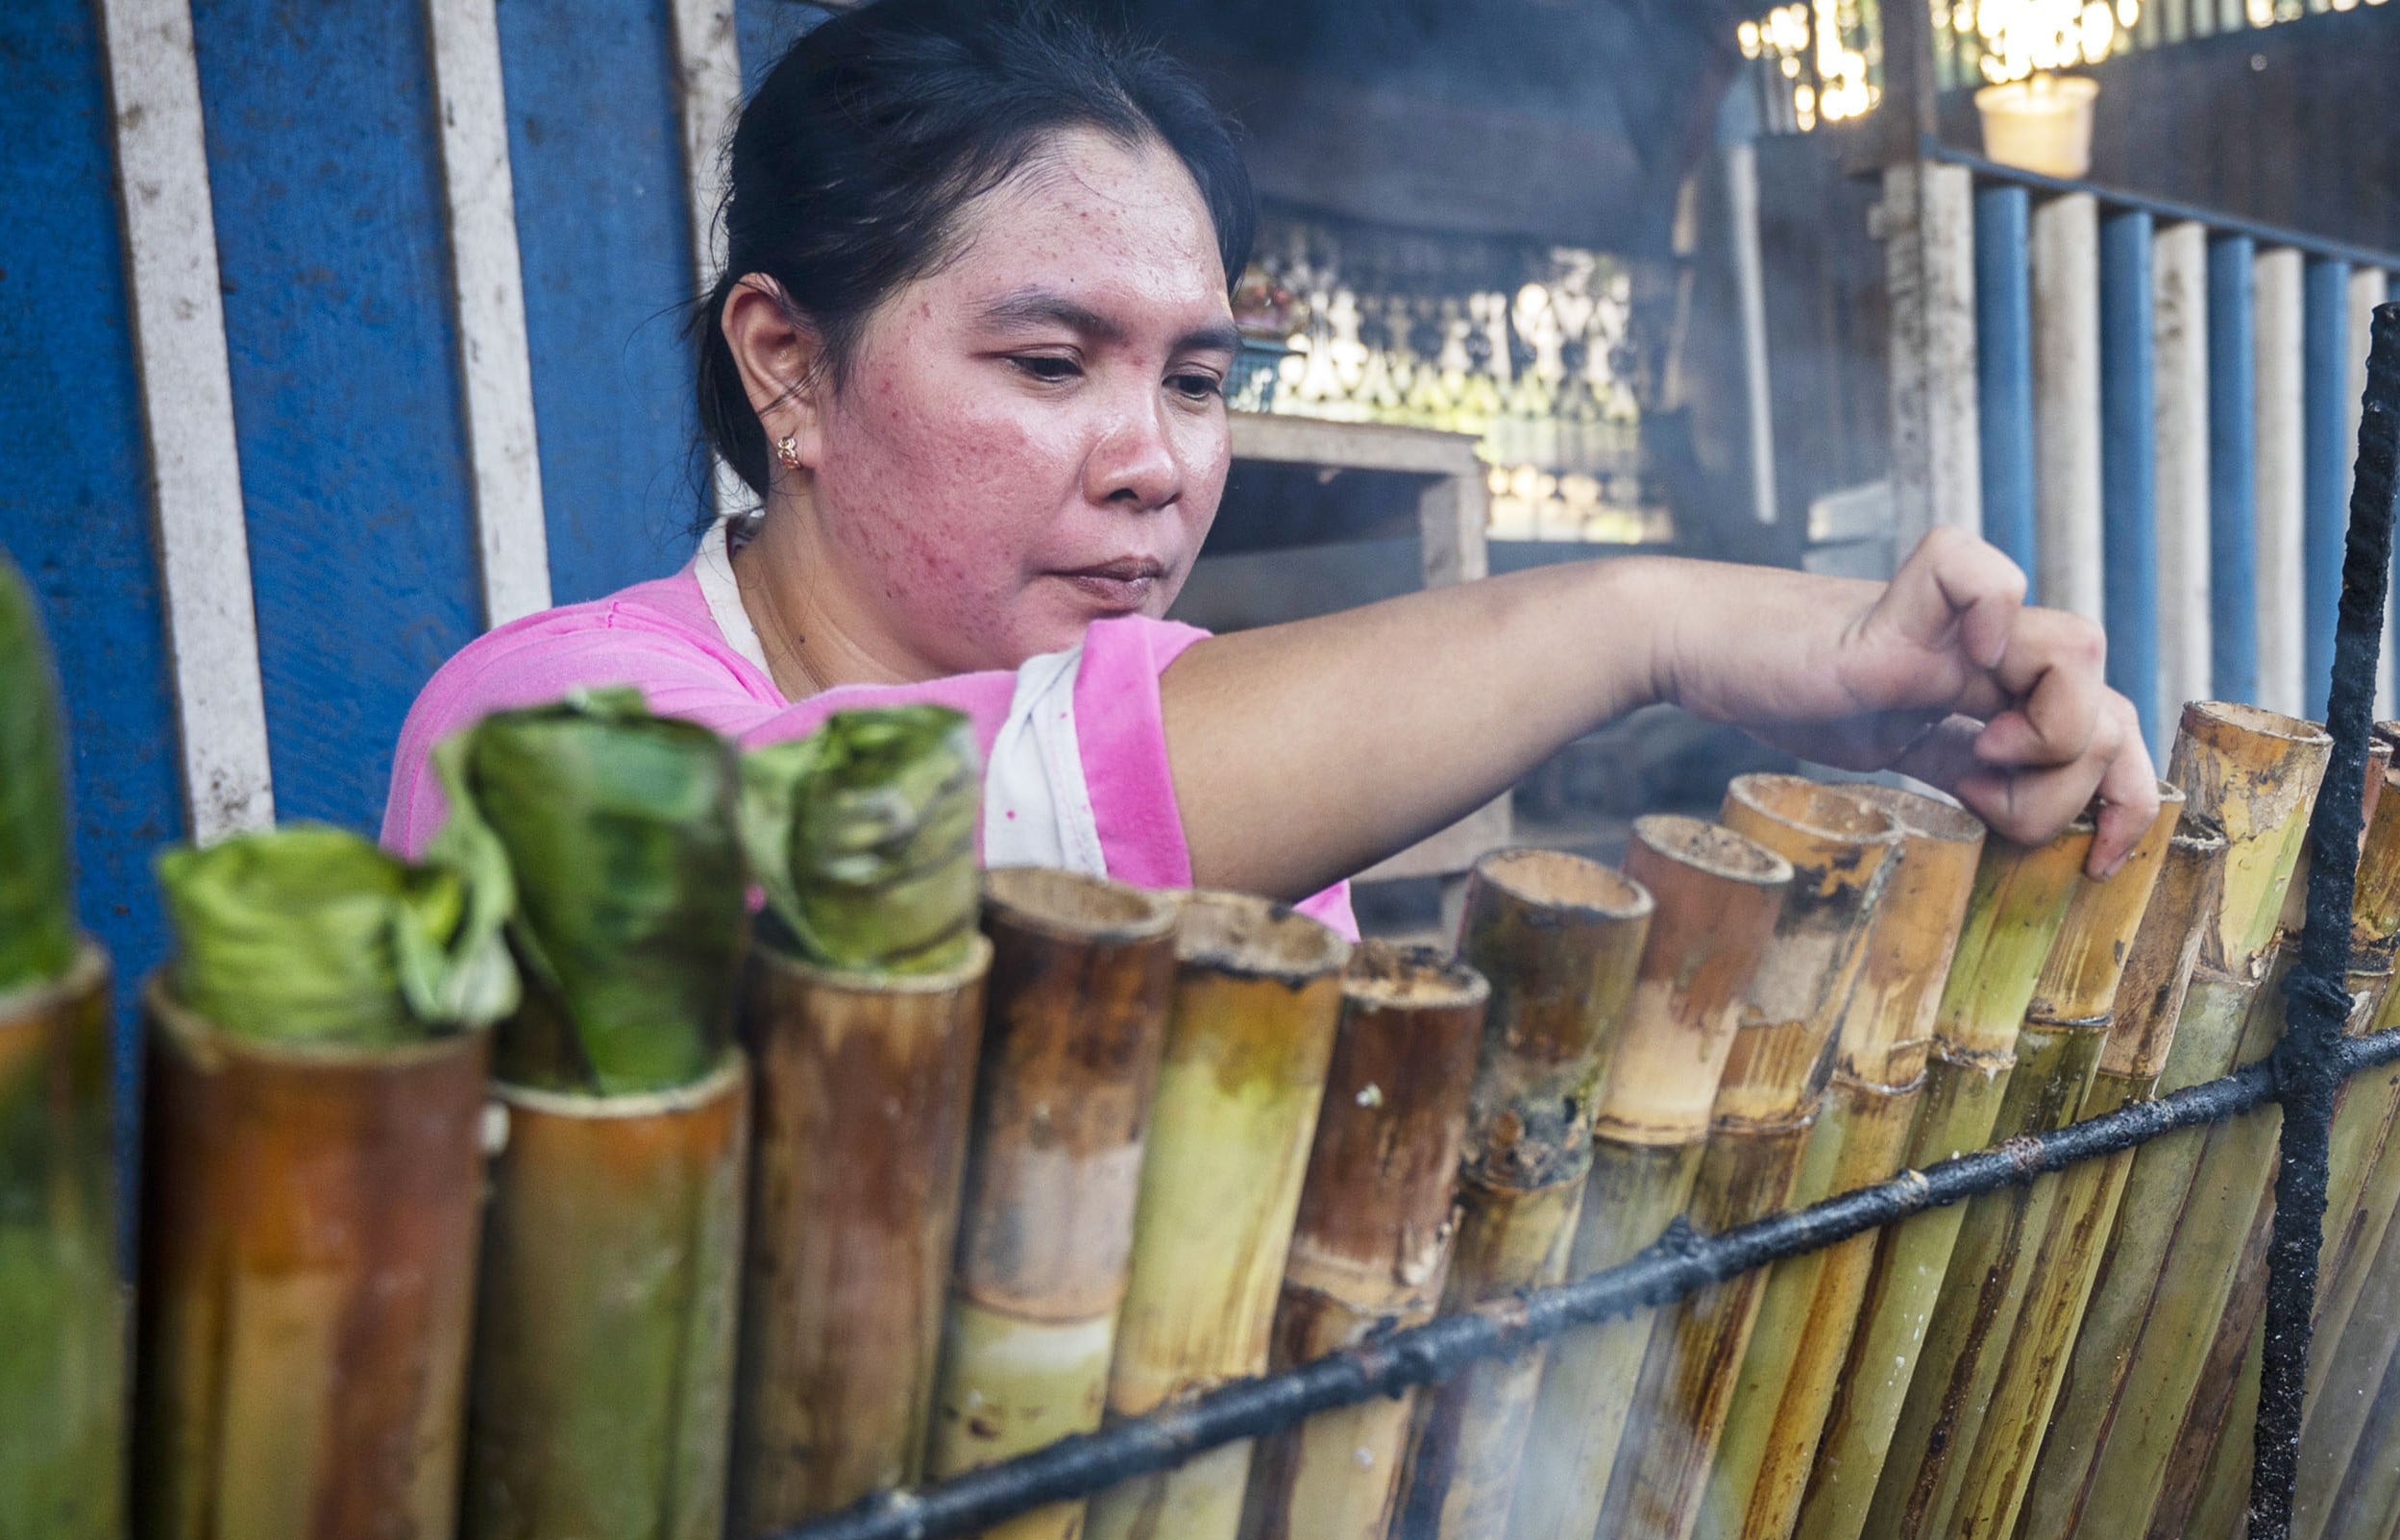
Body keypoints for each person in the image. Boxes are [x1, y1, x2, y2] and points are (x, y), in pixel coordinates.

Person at [384, 0, 2158, 929]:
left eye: (1200, 378)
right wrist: (1651, 623)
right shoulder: (542, 736)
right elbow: (953, 838)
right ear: (788, 361)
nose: (1155, 465)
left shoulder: (1229, 776)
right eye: (1051, 362)